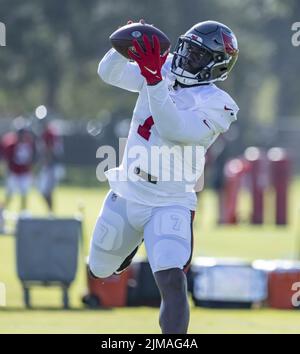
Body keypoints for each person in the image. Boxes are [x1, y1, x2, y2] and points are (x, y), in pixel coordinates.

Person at [88, 20, 239, 334]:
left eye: (198, 56)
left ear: (216, 66)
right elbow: (109, 72)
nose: (186, 59)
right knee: (99, 268)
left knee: (171, 279)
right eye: (187, 49)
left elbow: (175, 128)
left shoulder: (218, 104)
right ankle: (129, 247)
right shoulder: (165, 67)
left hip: (170, 199)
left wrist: (154, 80)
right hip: (129, 186)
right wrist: (125, 44)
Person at [1, 124, 36, 211]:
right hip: (14, 172)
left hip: (24, 173)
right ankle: (2, 212)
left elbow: (31, 159)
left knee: (24, 195)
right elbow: (6, 159)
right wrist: (7, 171)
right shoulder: (11, 145)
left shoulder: (29, 144)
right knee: (9, 195)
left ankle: (23, 213)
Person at [37, 122, 64, 212]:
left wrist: (46, 163)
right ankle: (50, 211)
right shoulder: (51, 132)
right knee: (45, 190)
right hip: (52, 166)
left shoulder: (48, 134)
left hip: (51, 166)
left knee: (46, 190)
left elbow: (50, 150)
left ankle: (50, 212)